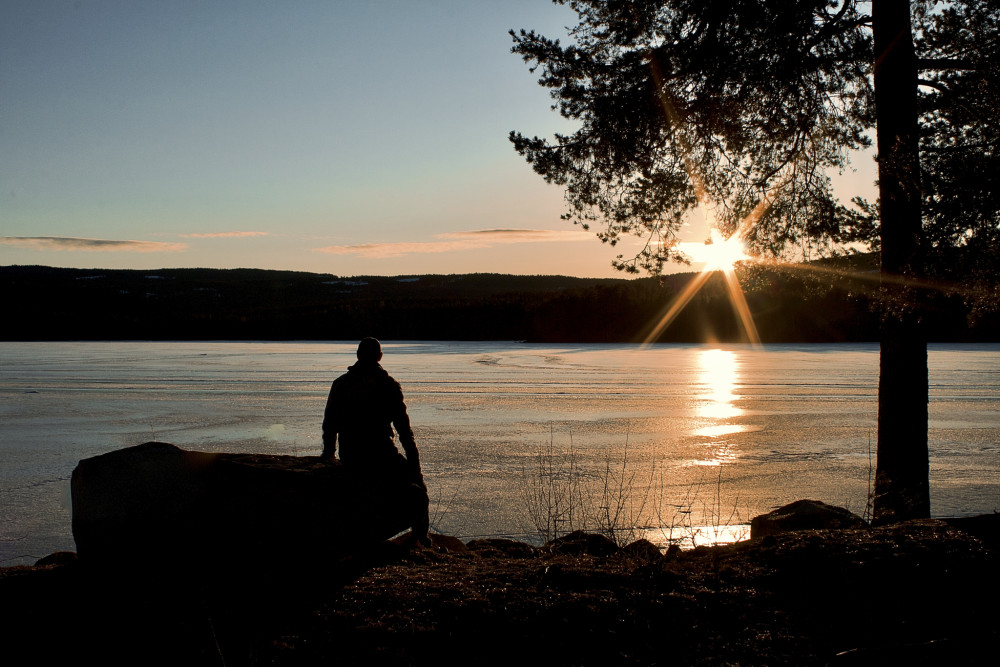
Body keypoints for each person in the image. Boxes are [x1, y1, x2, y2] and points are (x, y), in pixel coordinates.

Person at [321, 337, 430, 545]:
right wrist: (415, 465)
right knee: (419, 490)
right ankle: (421, 539)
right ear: (380, 356)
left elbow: (330, 423)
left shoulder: (341, 384)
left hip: (350, 454)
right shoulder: (389, 386)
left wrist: (329, 453)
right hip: (382, 455)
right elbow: (404, 430)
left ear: (358, 355)